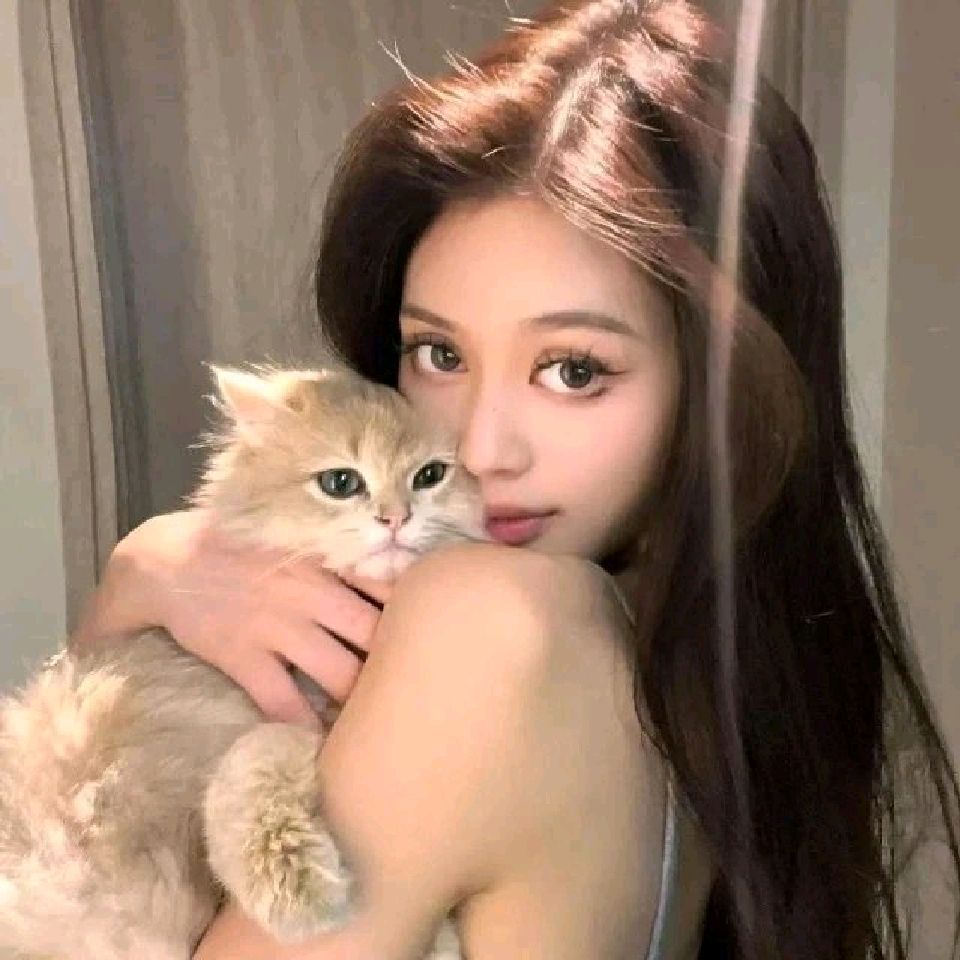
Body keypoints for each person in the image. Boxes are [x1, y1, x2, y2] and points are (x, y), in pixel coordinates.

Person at [72, 2, 960, 958]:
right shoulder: (711, 681)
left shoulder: (494, 626)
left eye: (573, 369)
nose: (480, 448)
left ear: (718, 391)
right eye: (439, 354)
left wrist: (133, 589)